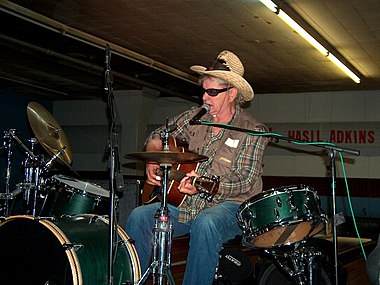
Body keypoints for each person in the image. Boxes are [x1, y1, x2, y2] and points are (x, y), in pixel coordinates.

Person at [125, 50, 269, 284]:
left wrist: (204, 185)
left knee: (207, 222)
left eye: (212, 92)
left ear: (232, 94)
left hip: (231, 208)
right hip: (187, 206)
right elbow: (157, 135)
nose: (205, 97)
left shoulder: (252, 130)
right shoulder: (194, 117)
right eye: (204, 90)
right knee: (139, 216)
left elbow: (245, 180)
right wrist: (152, 160)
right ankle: (134, 280)